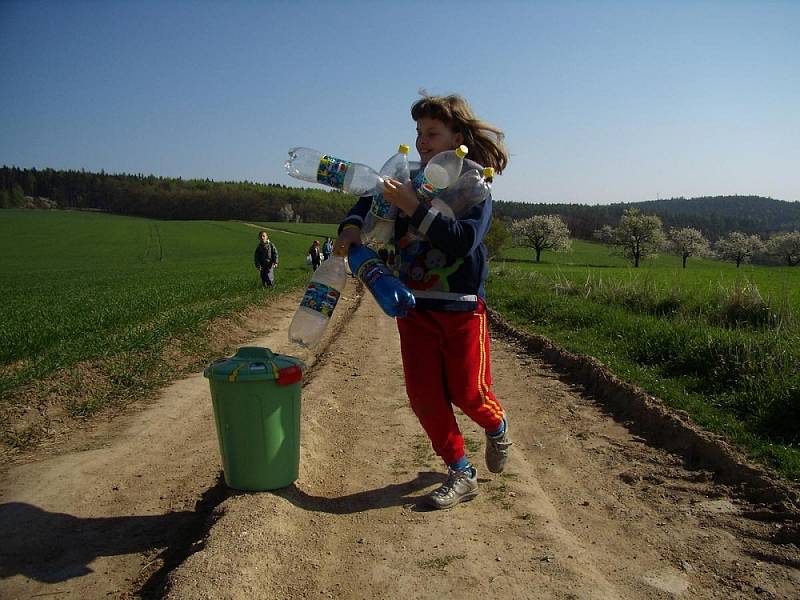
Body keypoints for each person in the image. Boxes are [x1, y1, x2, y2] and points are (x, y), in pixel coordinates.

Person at [334, 92, 510, 509]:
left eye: (432, 133)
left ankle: (497, 425)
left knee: (468, 392)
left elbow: (463, 243)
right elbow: (366, 201)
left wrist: (413, 208)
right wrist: (351, 227)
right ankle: (461, 471)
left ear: (458, 137)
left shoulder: (473, 186)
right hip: (412, 305)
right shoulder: (409, 177)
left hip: (461, 307)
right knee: (424, 395)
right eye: (418, 133)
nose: (422, 142)